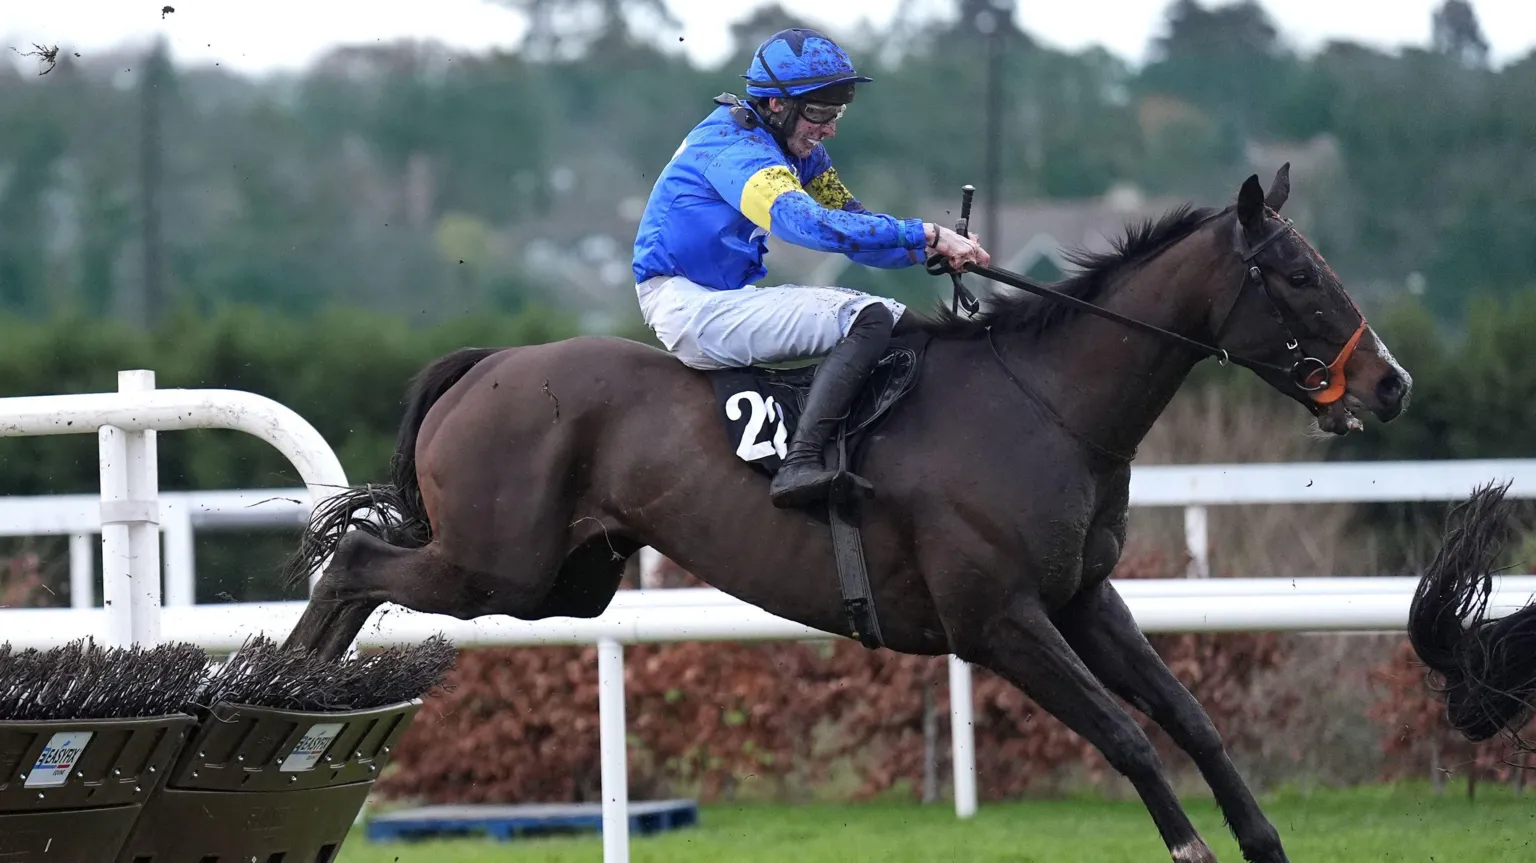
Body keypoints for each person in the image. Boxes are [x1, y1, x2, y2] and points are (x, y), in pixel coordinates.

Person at [631, 28, 991, 509]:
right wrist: (924, 232)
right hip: (688, 304)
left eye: (836, 113)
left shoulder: (798, 152)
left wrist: (928, 250)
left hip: (723, 299)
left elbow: (853, 223)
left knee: (903, 324)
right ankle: (801, 464)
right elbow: (808, 225)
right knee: (869, 317)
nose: (829, 129)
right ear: (777, 105)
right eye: (819, 113)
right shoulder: (734, 149)